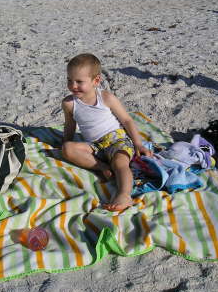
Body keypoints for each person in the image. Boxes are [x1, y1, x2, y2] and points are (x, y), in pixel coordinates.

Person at [61, 53, 152, 211]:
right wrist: (65, 141)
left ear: (96, 80)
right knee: (67, 149)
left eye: (79, 82)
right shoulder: (69, 103)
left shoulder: (105, 98)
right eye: (69, 80)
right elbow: (70, 126)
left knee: (120, 164)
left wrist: (138, 143)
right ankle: (102, 167)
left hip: (117, 141)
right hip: (95, 145)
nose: (73, 85)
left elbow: (127, 120)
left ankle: (124, 195)